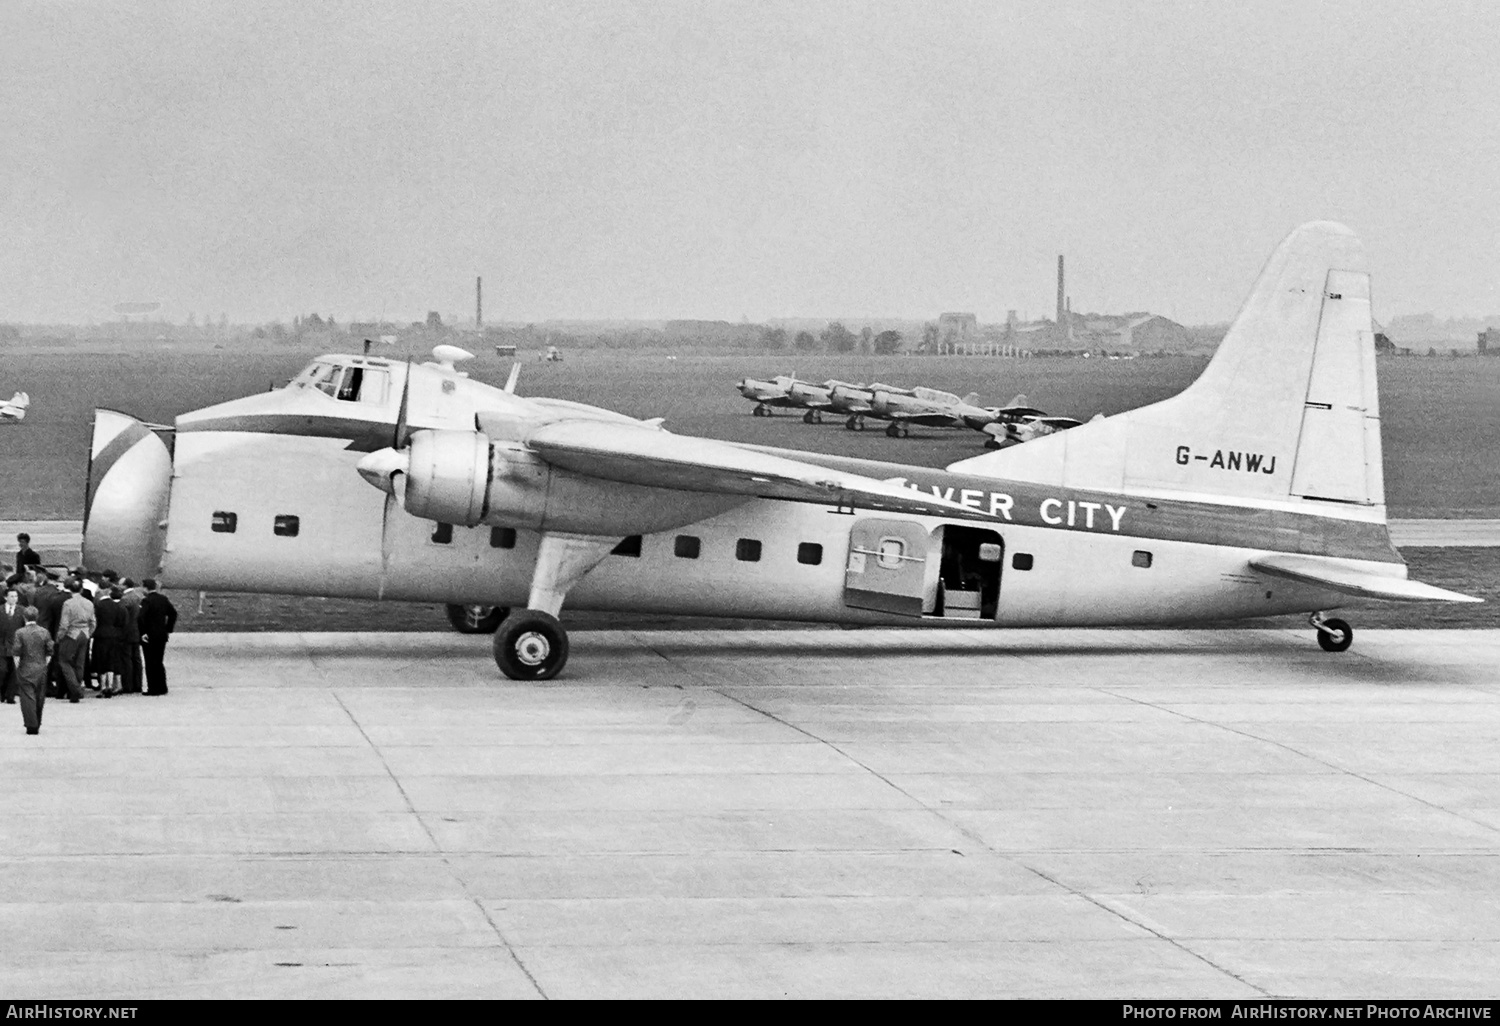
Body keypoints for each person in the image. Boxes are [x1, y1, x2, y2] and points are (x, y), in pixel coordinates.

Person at [11, 606, 53, 734]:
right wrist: (44, 664)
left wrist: (17, 667)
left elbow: (17, 653)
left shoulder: (20, 633)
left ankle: (31, 724)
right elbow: (49, 651)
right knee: (39, 696)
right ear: (37, 617)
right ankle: (37, 721)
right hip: (40, 666)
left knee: (27, 697)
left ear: (24, 617)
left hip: (25, 667)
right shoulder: (44, 632)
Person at [55, 579, 96, 702]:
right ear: (81, 589)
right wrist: (89, 633)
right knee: (79, 663)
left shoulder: (68, 603)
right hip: (85, 633)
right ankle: (75, 691)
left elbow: (64, 624)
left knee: (64, 661)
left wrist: (59, 636)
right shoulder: (89, 603)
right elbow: (93, 622)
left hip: (72, 633)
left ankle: (76, 689)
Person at [138, 579, 177, 696]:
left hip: (149, 635)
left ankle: (153, 688)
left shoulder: (146, 601)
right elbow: (173, 613)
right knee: (159, 661)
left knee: (150, 662)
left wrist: (143, 632)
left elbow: (141, 617)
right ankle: (162, 686)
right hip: (161, 634)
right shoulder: (163, 599)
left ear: (145, 588)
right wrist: (168, 628)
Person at [91, 586, 127, 697]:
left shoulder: (98, 606)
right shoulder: (116, 606)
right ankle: (110, 686)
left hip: (101, 635)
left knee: (102, 661)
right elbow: (121, 621)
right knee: (111, 660)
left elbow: (93, 620)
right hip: (114, 635)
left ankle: (103, 687)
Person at [120, 578, 145, 695]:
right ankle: (138, 684)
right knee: (137, 658)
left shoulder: (125, 599)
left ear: (125, 586)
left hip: (127, 631)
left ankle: (128, 685)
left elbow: (122, 617)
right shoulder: (139, 597)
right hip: (137, 630)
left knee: (126, 658)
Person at [0, 587, 22, 704]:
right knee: (2, 670)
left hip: (16, 645)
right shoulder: (0, 610)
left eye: (16, 596)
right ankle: (2, 692)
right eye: (12, 596)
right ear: (5, 597)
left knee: (14, 671)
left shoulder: (22, 611)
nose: (14, 599)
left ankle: (10, 696)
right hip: (1, 645)